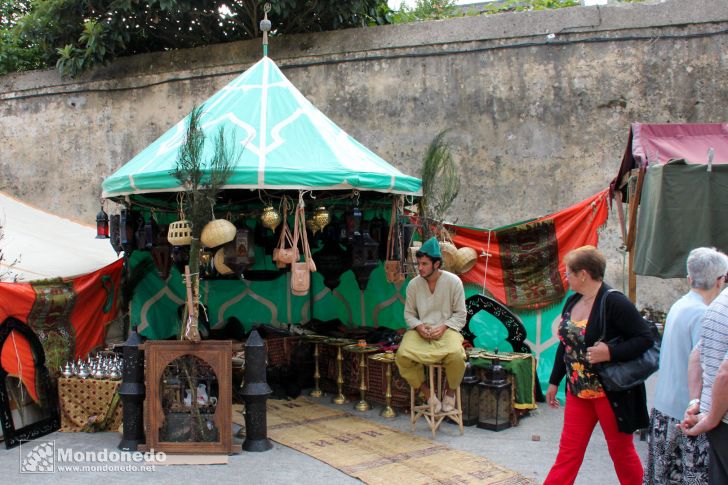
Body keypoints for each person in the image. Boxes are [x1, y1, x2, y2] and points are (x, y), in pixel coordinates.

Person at [543, 245, 653, 485]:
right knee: (568, 454)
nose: (566, 277)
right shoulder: (573, 301)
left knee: (621, 454)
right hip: (578, 392)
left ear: (583, 274)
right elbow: (566, 344)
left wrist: (611, 352)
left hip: (610, 393)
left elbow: (646, 338)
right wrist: (554, 381)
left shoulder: (614, 301)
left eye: (568, 272)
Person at [645, 247, 728, 485]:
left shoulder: (680, 305)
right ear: (720, 280)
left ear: (690, 277)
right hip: (690, 416)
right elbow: (705, 365)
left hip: (664, 409)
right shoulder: (705, 313)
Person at [395, 236, 466, 413]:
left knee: (457, 356)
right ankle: (428, 394)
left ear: (436, 264)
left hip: (447, 329)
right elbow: (409, 314)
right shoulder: (413, 285)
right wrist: (419, 326)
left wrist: (444, 327)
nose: (420, 268)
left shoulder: (454, 282)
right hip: (421, 331)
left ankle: (450, 393)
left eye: (424, 264)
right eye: (418, 263)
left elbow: (460, 314)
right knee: (402, 355)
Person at [680, 287, 728, 484]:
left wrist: (695, 402)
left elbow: (696, 355)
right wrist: (712, 417)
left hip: (717, 420)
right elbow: (725, 373)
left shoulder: (720, 302)